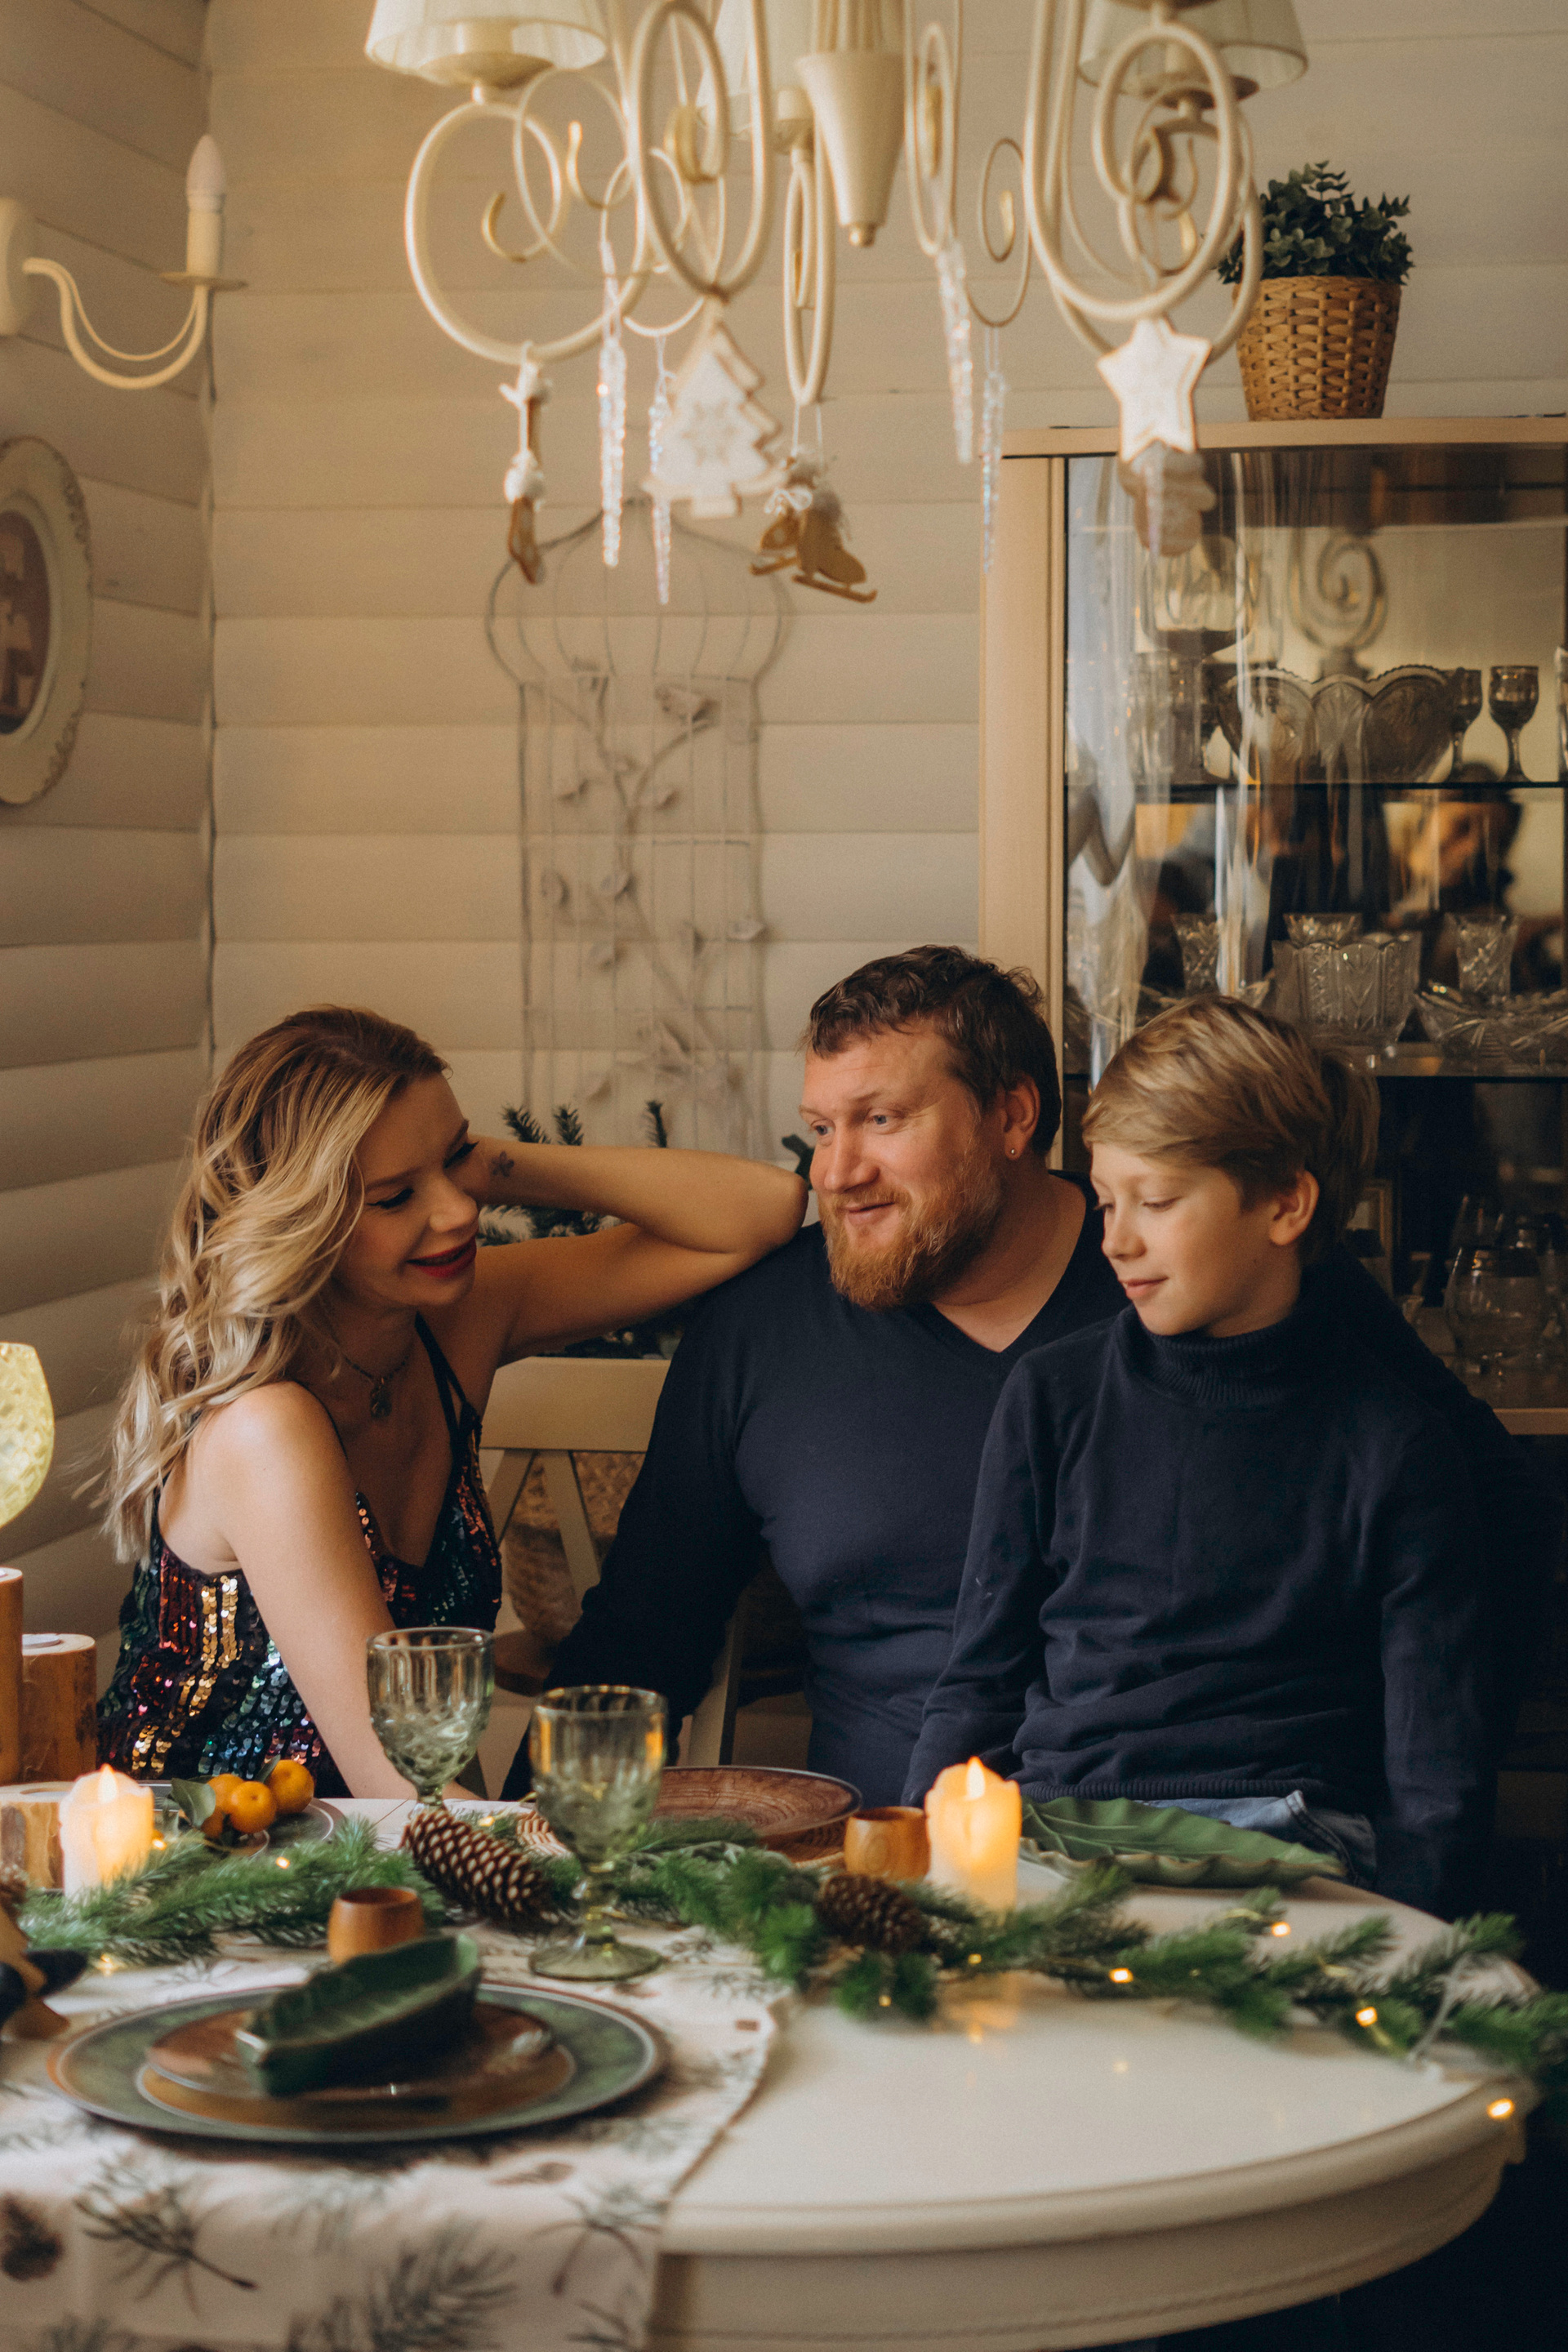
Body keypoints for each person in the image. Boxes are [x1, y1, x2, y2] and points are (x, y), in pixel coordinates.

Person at [505, 947, 1554, 1812]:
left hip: (1238, 1851)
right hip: (891, 1858)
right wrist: (515, 1844)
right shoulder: (762, 1330)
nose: (833, 1172)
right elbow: (642, 1639)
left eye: (883, 1120)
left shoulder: (1219, 1276)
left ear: (1013, 1118)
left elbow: (1489, 1530)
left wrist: (1411, 1830)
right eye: (822, 1128)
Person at [97, 1006, 804, 1797]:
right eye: (396, 1196)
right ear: (301, 1219)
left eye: (457, 1161)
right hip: (214, 1860)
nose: (460, 1211)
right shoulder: (264, 1427)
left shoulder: (455, 1321)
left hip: (390, 1846)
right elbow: (392, 1780)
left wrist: (477, 1161)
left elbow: (762, 1211)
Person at [905, 998, 1488, 1918]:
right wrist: (916, 1860)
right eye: (1107, 1201)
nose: (1116, 1240)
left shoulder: (1392, 1444)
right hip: (1063, 1825)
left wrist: (1417, 1938)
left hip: (1284, 1840)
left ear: (1286, 1204)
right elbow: (980, 1677)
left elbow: (1435, 1769)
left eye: (1159, 1201)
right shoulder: (1051, 1396)